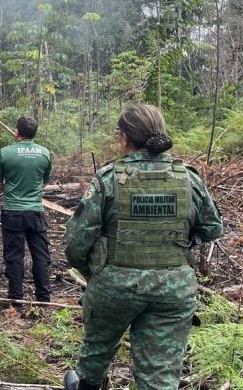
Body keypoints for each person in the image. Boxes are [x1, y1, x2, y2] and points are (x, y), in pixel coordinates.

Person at [63, 104, 223, 390]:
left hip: (114, 287)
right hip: (172, 291)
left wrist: (92, 271)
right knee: (160, 379)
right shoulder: (188, 178)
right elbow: (213, 227)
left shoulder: (109, 179)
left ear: (124, 138)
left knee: (92, 363)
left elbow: (76, 242)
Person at [0, 116, 53, 303]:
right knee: (41, 255)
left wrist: (12, 190)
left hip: (12, 212)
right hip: (35, 211)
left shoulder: (5, 153)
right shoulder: (45, 153)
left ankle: (16, 298)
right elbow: (44, 182)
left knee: (14, 256)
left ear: (17, 130)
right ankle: (43, 298)